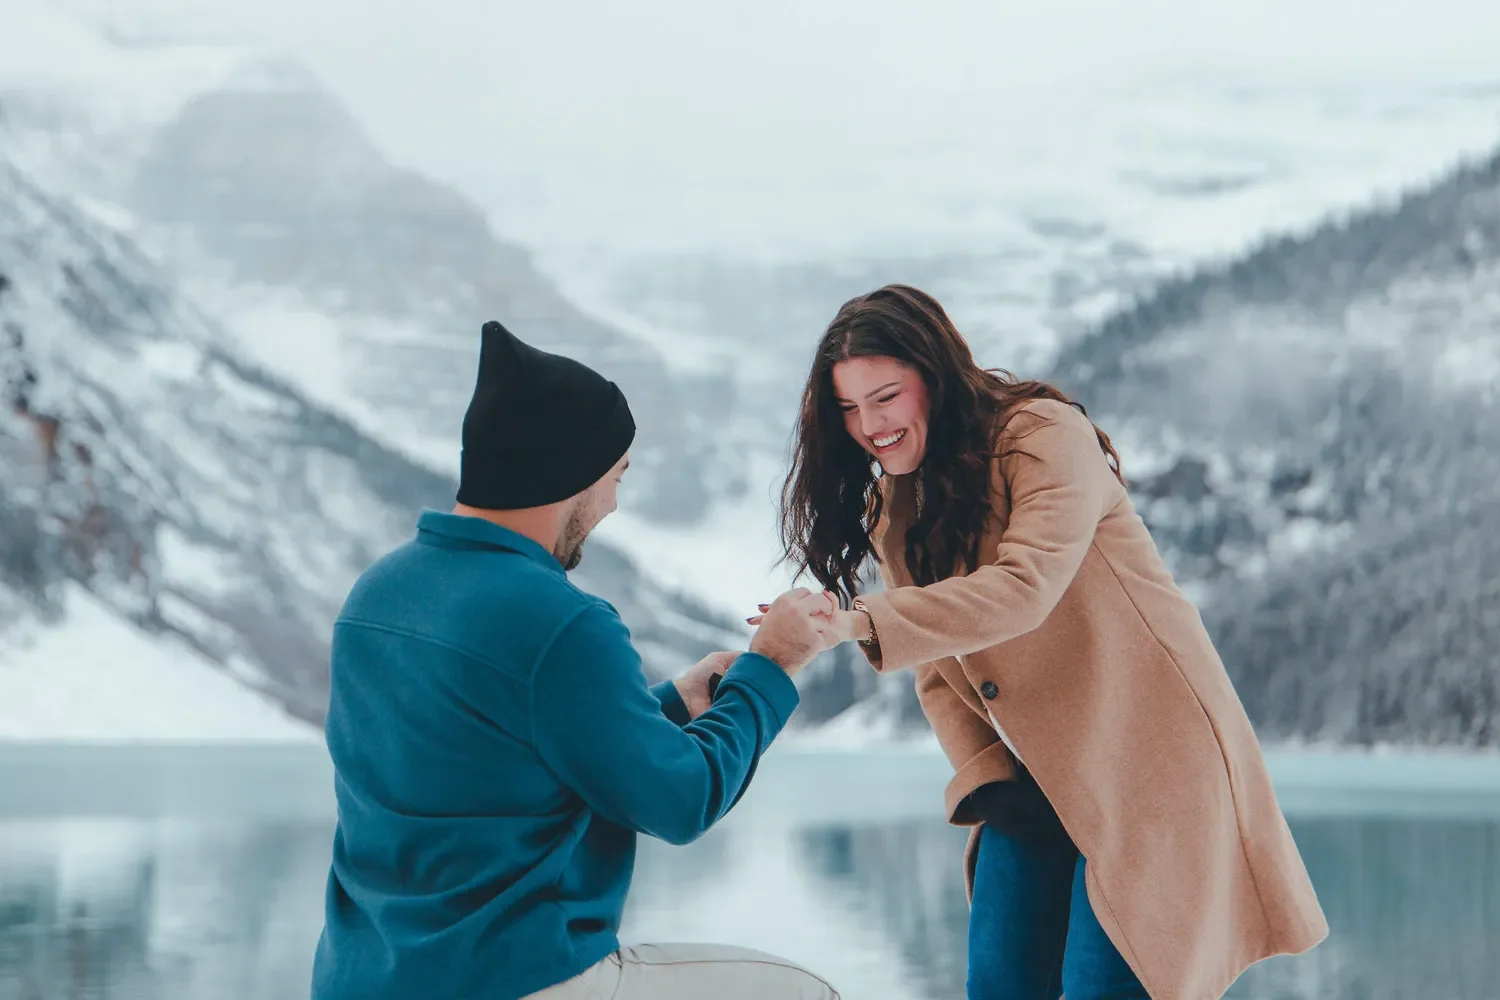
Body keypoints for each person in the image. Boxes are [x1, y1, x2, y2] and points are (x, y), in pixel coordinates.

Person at [764, 285, 1329, 1000]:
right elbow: (938, 672)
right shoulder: (898, 508)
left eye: (885, 397)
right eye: (848, 408)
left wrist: (859, 621)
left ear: (932, 378)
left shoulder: (1042, 434)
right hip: (1034, 782)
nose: (869, 425)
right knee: (997, 983)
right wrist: (983, 770)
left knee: (1107, 986)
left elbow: (1026, 588)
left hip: (1151, 772)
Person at [311, 320, 842, 1000]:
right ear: (574, 473)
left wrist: (672, 705)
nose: (613, 504)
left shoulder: (375, 596)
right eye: (617, 477)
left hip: (358, 983)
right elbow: (681, 801)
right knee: (804, 992)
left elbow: (505, 756)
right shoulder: (561, 622)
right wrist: (772, 667)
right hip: (513, 981)